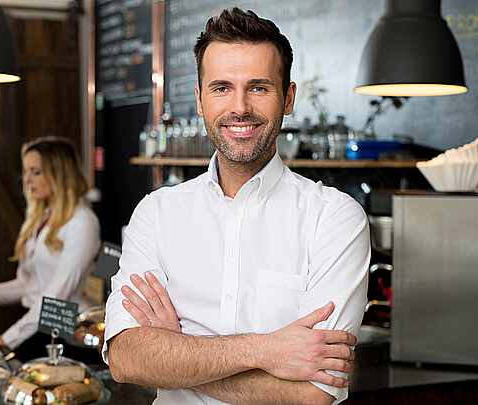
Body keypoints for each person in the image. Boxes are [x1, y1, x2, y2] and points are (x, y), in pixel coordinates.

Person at [103, 8, 370, 405]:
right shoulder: (156, 214)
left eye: (259, 87)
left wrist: (177, 354)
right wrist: (264, 350)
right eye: (221, 87)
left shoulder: (334, 218)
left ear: (289, 97)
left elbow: (314, 393)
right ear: (199, 99)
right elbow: (126, 359)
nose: (240, 107)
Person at [0, 136, 101, 362]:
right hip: (33, 324)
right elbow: (27, 285)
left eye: (36, 172)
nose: (26, 179)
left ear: (60, 174)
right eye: (26, 171)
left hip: (61, 333)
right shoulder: (41, 217)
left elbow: (56, 297)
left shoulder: (82, 223)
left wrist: (8, 339)